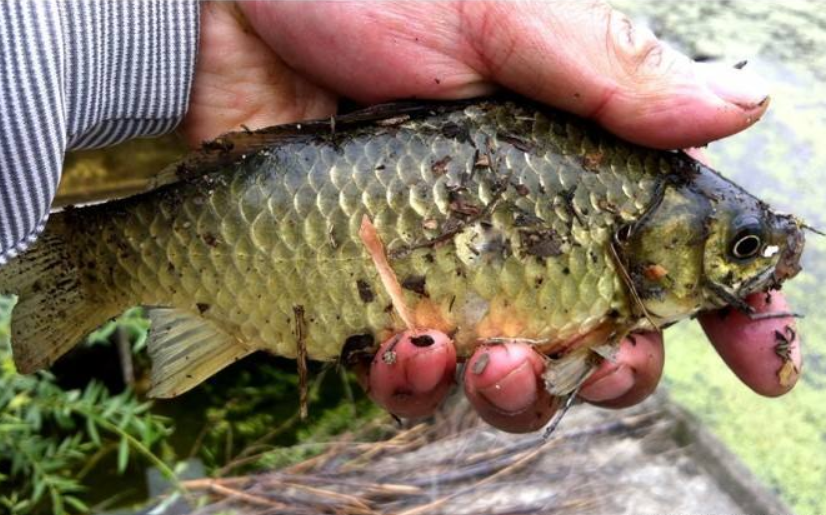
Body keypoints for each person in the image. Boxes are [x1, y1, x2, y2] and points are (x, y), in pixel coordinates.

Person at [0, 1, 801, 433]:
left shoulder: (625, 194)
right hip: (268, 190)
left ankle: (111, 261)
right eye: (741, 247)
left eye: (742, 248)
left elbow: (568, 366)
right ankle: (94, 261)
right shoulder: (625, 211)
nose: (752, 262)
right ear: (650, 245)